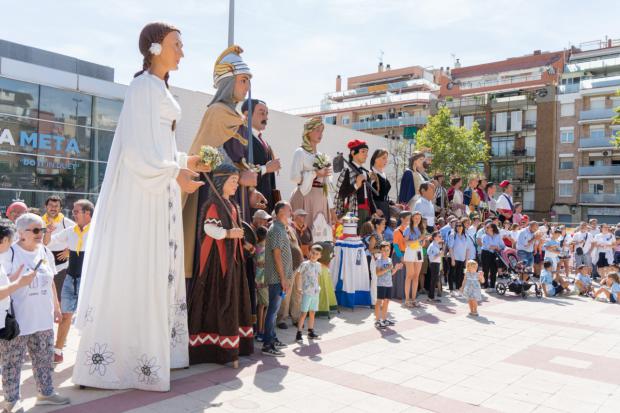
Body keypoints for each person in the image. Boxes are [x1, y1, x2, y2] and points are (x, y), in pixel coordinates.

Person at [73, 23, 204, 391]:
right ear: (156, 47)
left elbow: (158, 145)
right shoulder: (142, 87)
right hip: (143, 192)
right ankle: (118, 361)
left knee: (158, 266)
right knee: (140, 265)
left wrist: (185, 160)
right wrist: (175, 172)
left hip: (157, 189)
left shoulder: (157, 88)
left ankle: (153, 354)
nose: (182, 51)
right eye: (177, 44)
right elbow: (135, 150)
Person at [182, 44, 261, 279]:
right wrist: (238, 175)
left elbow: (239, 158)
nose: (247, 87)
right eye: (243, 80)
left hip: (235, 194)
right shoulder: (217, 112)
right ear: (228, 81)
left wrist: (251, 187)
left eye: (248, 81)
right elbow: (210, 157)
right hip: (214, 196)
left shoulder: (235, 114)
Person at [186, 164, 253, 367]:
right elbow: (209, 228)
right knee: (219, 299)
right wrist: (228, 234)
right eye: (233, 181)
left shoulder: (230, 204)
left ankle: (234, 346)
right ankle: (218, 349)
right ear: (221, 181)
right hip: (217, 263)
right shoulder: (213, 204)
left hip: (234, 261)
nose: (236, 185)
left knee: (233, 299)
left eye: (236, 181)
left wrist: (243, 240)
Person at [0, 214, 70, 409]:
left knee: (44, 359)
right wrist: (19, 281)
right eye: (37, 230)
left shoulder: (45, 251)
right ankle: (12, 400)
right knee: (12, 363)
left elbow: (51, 283)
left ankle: (45, 392)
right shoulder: (9, 253)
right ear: (21, 233)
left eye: (43, 230)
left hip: (43, 319)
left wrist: (56, 307)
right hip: (18, 321)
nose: (41, 234)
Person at [43, 199, 93, 365]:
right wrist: (48, 232)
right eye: (73, 211)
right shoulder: (71, 231)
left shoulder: (97, 231)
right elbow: (48, 242)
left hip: (89, 281)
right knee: (65, 315)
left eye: (76, 211)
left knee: (90, 317)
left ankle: (89, 353)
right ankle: (57, 351)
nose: (73, 213)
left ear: (87, 213)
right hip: (70, 278)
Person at [289, 117, 334, 242]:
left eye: (321, 131)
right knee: (304, 236)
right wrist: (315, 173)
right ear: (308, 132)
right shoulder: (300, 152)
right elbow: (294, 177)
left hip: (321, 199)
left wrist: (332, 208)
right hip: (305, 196)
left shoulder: (322, 156)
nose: (320, 134)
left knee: (321, 236)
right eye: (317, 130)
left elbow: (326, 183)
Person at [262, 201, 293, 357]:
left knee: (274, 311)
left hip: (280, 277)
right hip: (276, 277)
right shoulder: (276, 230)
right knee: (273, 311)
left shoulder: (281, 229)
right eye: (289, 210)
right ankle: (268, 344)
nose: (291, 213)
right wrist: (283, 278)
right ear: (281, 212)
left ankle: (272, 338)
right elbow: (276, 254)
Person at [240, 99, 281, 213]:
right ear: (247, 114)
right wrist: (266, 168)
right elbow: (240, 171)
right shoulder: (242, 139)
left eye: (267, 113)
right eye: (261, 112)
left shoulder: (264, 142)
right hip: (250, 206)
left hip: (266, 207)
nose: (266, 117)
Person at [334, 139, 376, 231]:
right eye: (363, 152)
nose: (366, 155)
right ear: (353, 153)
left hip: (367, 211)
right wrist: (356, 185)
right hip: (352, 211)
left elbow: (369, 195)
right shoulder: (347, 171)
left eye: (367, 152)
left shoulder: (366, 172)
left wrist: (374, 211)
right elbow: (341, 193)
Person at [42, 196, 76, 299]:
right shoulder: (39, 222)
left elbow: (81, 237)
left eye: (56, 206)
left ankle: (58, 315)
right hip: (42, 263)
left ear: (60, 208)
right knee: (43, 294)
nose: (53, 208)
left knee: (59, 295)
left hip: (62, 265)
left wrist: (70, 251)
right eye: (51, 205)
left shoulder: (67, 223)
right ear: (45, 207)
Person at [295, 244, 323, 343]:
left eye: (317, 254)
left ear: (320, 256)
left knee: (312, 312)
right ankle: (299, 333)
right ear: (309, 252)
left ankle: (310, 331)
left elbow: (317, 277)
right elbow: (298, 274)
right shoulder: (305, 264)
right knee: (303, 313)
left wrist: (318, 288)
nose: (314, 255)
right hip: (307, 292)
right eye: (312, 253)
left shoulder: (319, 265)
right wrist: (298, 287)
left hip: (315, 292)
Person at [374, 242, 402, 329]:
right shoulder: (379, 260)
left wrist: (396, 269)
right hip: (381, 284)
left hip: (389, 284)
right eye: (384, 250)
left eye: (387, 250)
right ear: (380, 251)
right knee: (379, 302)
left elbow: (391, 273)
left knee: (386, 301)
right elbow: (378, 273)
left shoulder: (389, 260)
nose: (386, 252)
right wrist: (387, 269)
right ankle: (377, 321)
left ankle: (385, 319)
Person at [403, 212, 425, 307]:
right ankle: (407, 300)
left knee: (416, 276)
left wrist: (423, 241)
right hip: (410, 251)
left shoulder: (421, 228)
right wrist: (419, 239)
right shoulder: (408, 228)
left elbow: (422, 244)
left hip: (419, 251)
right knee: (409, 276)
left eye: (419, 218)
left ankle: (413, 299)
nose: (417, 220)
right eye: (416, 218)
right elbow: (406, 243)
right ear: (412, 218)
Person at [448, 219, 470, 295]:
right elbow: (450, 247)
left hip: (462, 259)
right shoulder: (452, 235)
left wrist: (466, 260)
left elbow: (467, 249)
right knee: (451, 274)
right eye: (457, 226)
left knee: (460, 274)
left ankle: (458, 289)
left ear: (463, 227)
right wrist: (452, 259)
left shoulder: (466, 236)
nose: (458, 227)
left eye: (460, 225)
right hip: (454, 258)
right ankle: (451, 290)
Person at [254, 226, 268, 343]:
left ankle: (260, 330)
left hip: (258, 279)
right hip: (263, 280)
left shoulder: (256, 248)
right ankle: (260, 331)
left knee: (261, 305)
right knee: (264, 305)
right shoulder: (264, 249)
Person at [369, 149, 392, 222]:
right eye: (383, 158)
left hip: (385, 208)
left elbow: (383, 194)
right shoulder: (371, 174)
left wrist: (392, 203)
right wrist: (375, 209)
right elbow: (368, 194)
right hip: (376, 210)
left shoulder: (383, 174)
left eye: (386, 158)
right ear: (376, 159)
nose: (386, 160)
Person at [481, 223, 504, 291]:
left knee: (493, 270)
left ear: (492, 228)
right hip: (485, 253)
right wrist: (495, 247)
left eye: (488, 227)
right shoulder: (484, 236)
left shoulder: (498, 236)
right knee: (485, 270)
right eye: (486, 227)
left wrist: (497, 247)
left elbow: (502, 245)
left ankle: (492, 286)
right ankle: (485, 285)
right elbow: (486, 245)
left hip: (494, 254)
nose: (486, 228)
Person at [426, 232, 443, 302]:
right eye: (439, 236)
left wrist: (440, 254)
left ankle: (431, 296)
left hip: (436, 263)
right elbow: (431, 257)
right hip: (434, 264)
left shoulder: (436, 245)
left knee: (434, 280)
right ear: (435, 237)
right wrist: (439, 254)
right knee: (434, 280)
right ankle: (431, 297)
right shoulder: (432, 245)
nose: (440, 237)